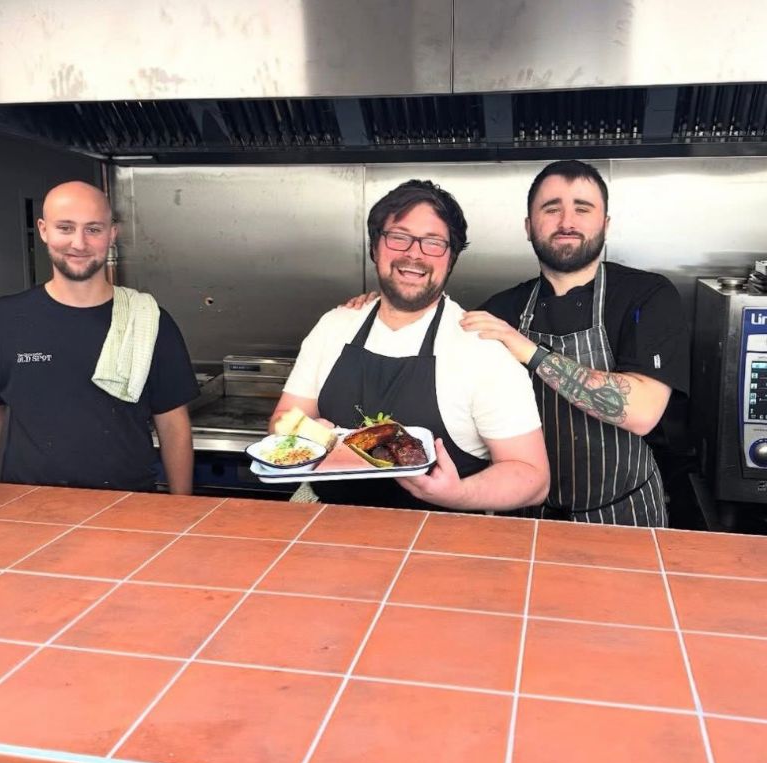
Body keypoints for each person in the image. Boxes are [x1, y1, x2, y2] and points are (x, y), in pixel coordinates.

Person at [270, 179, 549, 512]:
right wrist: (307, 433)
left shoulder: (483, 350)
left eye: (433, 242)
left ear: (451, 258)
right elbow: (282, 420)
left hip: (441, 531)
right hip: (325, 517)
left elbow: (532, 477)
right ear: (375, 247)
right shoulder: (334, 326)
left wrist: (458, 494)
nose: (414, 253)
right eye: (399, 237)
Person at [461, 160, 690, 526]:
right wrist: (380, 309)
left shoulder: (646, 295)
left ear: (605, 224)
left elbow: (642, 412)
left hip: (625, 513)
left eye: (582, 209)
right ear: (528, 226)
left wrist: (529, 351)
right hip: (525, 517)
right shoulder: (501, 310)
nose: (567, 221)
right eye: (551, 209)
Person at [0, 181, 198, 493]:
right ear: (44, 230)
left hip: (126, 503)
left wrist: (182, 506)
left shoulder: (148, 320)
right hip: (28, 502)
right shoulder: (5, 317)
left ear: (112, 234)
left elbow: (172, 423)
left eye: (93, 229)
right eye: (65, 228)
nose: (79, 243)